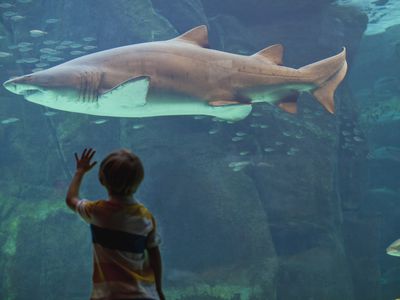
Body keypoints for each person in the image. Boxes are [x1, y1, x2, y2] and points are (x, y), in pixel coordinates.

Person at [66, 148, 165, 300]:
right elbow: (155, 256)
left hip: (107, 295)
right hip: (143, 295)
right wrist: (158, 289)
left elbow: (71, 199)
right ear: (139, 182)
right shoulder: (145, 217)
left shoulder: (97, 211)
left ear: (101, 179)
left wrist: (80, 171)